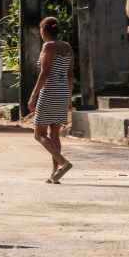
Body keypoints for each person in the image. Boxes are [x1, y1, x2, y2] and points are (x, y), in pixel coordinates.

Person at [28, 16, 75, 184]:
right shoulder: (67, 47)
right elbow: (70, 74)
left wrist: (34, 95)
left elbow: (45, 73)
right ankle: (55, 174)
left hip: (49, 91)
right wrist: (69, 97)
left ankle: (63, 163)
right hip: (63, 91)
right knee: (54, 133)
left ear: (44, 31)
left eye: (41, 30)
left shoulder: (48, 46)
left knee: (38, 134)